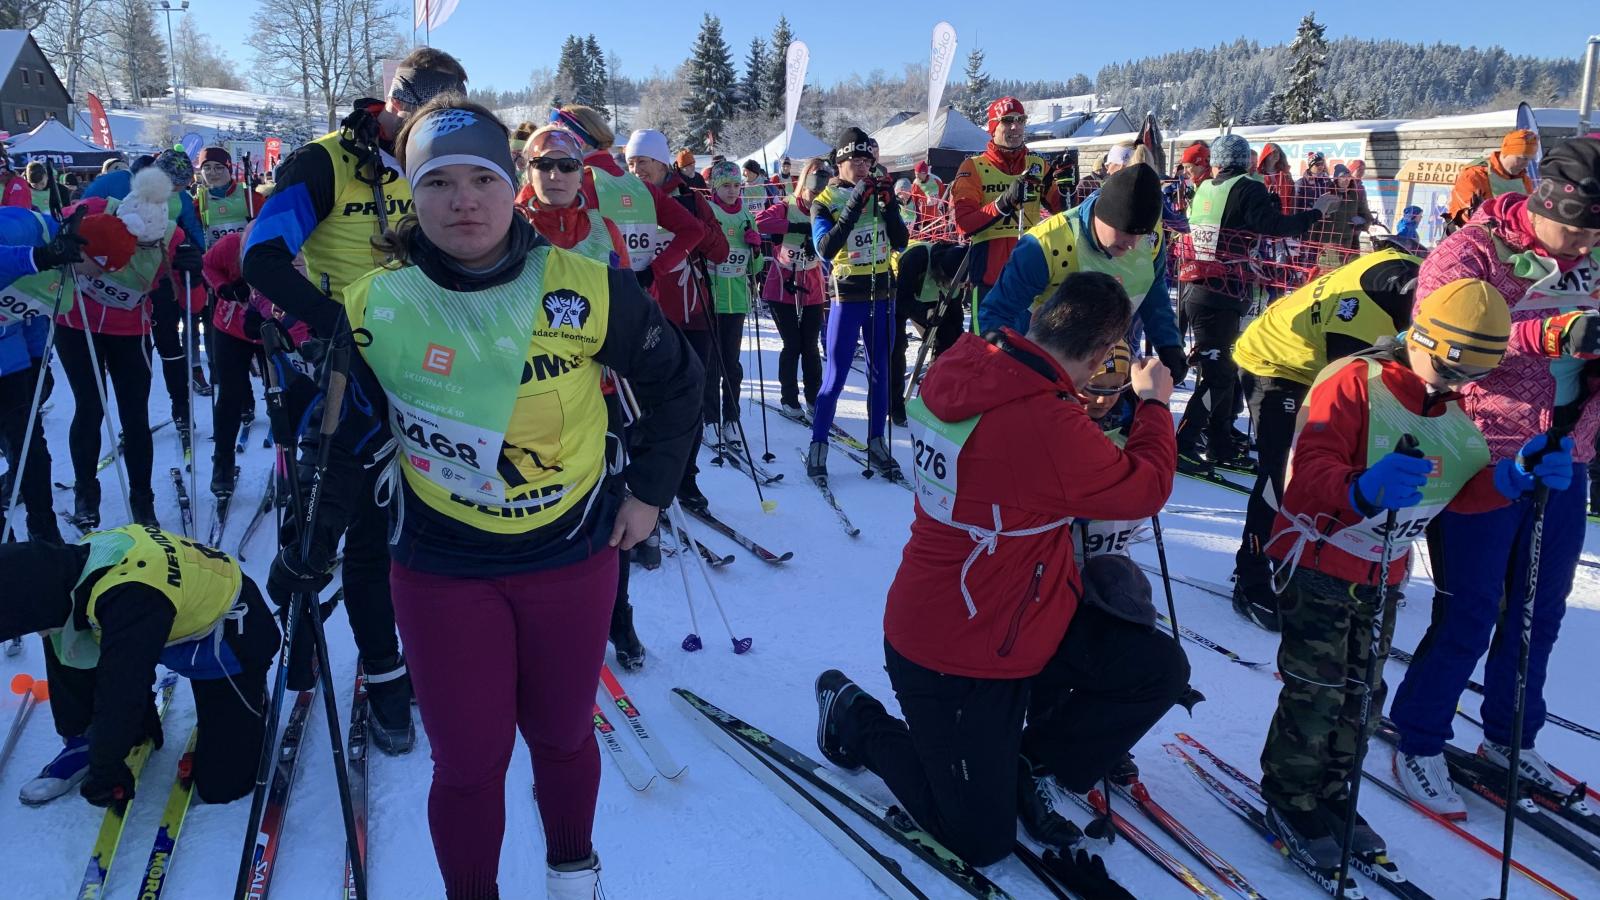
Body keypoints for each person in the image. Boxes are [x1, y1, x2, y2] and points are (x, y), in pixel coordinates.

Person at [274, 96, 700, 899]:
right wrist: (311, 541)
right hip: (443, 564)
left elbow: (679, 383)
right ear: (411, 194)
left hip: (570, 552)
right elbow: (342, 437)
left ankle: (573, 877)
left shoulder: (588, 287)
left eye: (482, 179)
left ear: (513, 186)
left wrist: (649, 493)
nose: (462, 201)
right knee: (469, 764)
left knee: (563, 737)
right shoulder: (376, 303)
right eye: (437, 183)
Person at [813, 271, 1186, 869]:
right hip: (956, 651)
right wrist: (1154, 404)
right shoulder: (1045, 423)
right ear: (1099, 357)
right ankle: (856, 718)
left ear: (1041, 319)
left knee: (1155, 670)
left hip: (1020, 613)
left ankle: (1022, 763)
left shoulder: (969, 362)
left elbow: (1017, 457)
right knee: (979, 842)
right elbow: (1146, 487)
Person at [1255, 279, 1565, 869]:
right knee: (1317, 692)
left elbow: (1456, 492)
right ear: (1419, 338)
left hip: (1382, 572)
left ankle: (1333, 793)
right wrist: (1360, 489)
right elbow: (1311, 468)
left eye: (1470, 376)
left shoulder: (1449, 405)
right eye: (1447, 369)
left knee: (1364, 695)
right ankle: (1291, 797)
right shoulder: (1354, 381)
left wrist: (1508, 481)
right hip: (1318, 559)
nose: (1454, 385)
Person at [243, 45, 470, 755]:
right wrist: (332, 325)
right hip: (349, 377)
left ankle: (401, 667)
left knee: (414, 530)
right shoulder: (326, 161)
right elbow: (260, 257)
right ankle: (327, 659)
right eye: (427, 113)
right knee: (338, 533)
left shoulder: (444, 161)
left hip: (433, 370)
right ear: (397, 102)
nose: (435, 130)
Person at [1388, 138, 1600, 816]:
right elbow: (1434, 338)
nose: (1586, 244)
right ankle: (1419, 737)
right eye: (1577, 228)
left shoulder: (1594, 256)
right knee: (1472, 610)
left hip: (1567, 454)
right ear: (1546, 203)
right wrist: (1548, 334)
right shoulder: (1473, 250)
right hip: (1481, 451)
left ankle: (1511, 737)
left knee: (1539, 613)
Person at [2, 527, 280, 806]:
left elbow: (122, 688)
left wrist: (106, 770)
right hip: (158, 618)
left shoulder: (128, 597)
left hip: (229, 635)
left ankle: (250, 699)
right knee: (62, 633)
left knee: (223, 784)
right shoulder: (70, 564)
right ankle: (84, 736)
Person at [1229, 248, 1423, 630]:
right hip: (1275, 362)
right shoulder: (1363, 315)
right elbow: (1349, 397)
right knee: (1286, 469)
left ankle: (1347, 561)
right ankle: (1251, 576)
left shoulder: (1428, 280)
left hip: (1317, 354)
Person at [1175, 134, 1336, 473]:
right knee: (1219, 375)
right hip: (1223, 292)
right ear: (1243, 162)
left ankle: (1219, 441)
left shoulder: (1205, 188)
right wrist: (1316, 213)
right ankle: (1184, 444)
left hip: (1202, 287)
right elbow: (1274, 226)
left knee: (1226, 369)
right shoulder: (1247, 188)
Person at [57, 177, 188, 530]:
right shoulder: (95, 208)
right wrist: (61, 241)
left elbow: (189, 296)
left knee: (134, 416)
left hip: (129, 331)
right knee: (89, 407)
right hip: (77, 324)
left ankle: (142, 499)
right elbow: (49, 232)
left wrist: (190, 267)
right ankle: (86, 492)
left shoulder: (172, 235)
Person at [979, 164, 1186, 383]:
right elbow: (998, 311)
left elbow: (1152, 287)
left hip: (1106, 362)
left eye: (1141, 234)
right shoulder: (1046, 243)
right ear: (1103, 215)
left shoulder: (1151, 238)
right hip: (1045, 366)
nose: (1133, 244)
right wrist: (1008, 356)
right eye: (1125, 232)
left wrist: (1169, 345)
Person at [624, 128, 728, 510]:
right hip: (644, 317)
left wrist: (690, 221)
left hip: (692, 314)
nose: (636, 170)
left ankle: (685, 478)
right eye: (630, 163)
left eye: (644, 162)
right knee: (642, 404)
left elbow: (720, 252)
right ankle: (641, 481)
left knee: (690, 403)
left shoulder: (690, 197)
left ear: (662, 162)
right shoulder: (622, 199)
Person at [807, 126, 910, 482]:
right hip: (847, 295)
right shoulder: (825, 200)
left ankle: (877, 442)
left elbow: (901, 241)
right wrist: (854, 203)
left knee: (880, 372)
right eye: (856, 160)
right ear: (840, 163)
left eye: (868, 161)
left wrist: (890, 205)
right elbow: (825, 248)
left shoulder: (878, 195)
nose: (864, 167)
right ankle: (818, 445)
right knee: (835, 375)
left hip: (882, 293)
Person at [0, 206, 96, 544]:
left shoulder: (28, 229)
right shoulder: (23, 236)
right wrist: (39, 257)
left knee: (30, 445)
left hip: (9, 360)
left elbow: (30, 310)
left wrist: (39, 359)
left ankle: (43, 531)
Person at [548, 105, 705, 303]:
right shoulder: (643, 188)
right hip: (642, 301)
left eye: (557, 139)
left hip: (590, 305)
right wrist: (652, 272)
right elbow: (693, 231)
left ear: (579, 141)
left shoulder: (573, 186)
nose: (552, 148)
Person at [950, 97, 1063, 330]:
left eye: (1021, 120)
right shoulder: (974, 166)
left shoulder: (1037, 165)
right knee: (987, 349)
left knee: (1028, 349)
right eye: (1007, 120)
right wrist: (1004, 202)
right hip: (990, 280)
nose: (1015, 127)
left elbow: (1064, 211)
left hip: (1030, 278)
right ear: (993, 126)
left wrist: (1068, 188)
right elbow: (964, 223)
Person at [755, 157, 828, 420]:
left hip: (812, 285)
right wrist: (796, 226)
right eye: (815, 180)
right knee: (792, 344)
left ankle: (814, 399)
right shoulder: (787, 205)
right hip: (782, 284)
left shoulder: (827, 208)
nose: (817, 192)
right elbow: (760, 222)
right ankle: (789, 398)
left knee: (810, 345)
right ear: (805, 180)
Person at [705, 160, 764, 446]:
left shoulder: (746, 216)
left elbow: (755, 268)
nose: (732, 191)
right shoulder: (709, 212)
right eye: (726, 185)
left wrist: (756, 248)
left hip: (737, 302)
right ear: (715, 187)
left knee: (732, 366)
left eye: (736, 185)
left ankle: (731, 418)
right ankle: (710, 419)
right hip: (712, 300)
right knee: (711, 366)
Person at [515, 125, 629, 267]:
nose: (555, 176)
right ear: (530, 175)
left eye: (567, 166)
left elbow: (626, 280)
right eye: (544, 164)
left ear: (580, 177)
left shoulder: (606, 232)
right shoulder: (511, 231)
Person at [890, 240, 966, 425]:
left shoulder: (957, 272)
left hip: (927, 297)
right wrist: (925, 314)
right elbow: (901, 302)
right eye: (946, 281)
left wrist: (959, 344)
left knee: (949, 341)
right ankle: (894, 405)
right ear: (939, 271)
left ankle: (932, 397)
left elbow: (955, 315)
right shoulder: (915, 259)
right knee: (896, 348)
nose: (949, 285)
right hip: (897, 293)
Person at [1445, 129, 1537, 230]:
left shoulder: (1524, 181)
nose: (1526, 164)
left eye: (1529, 160)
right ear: (1506, 153)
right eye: (1522, 158)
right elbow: (1468, 216)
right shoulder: (1475, 176)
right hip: (1470, 234)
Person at [194, 146, 259, 245]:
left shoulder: (250, 197)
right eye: (207, 168)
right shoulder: (199, 202)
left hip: (246, 252)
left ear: (229, 169)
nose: (212, 172)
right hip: (215, 253)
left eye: (218, 167)